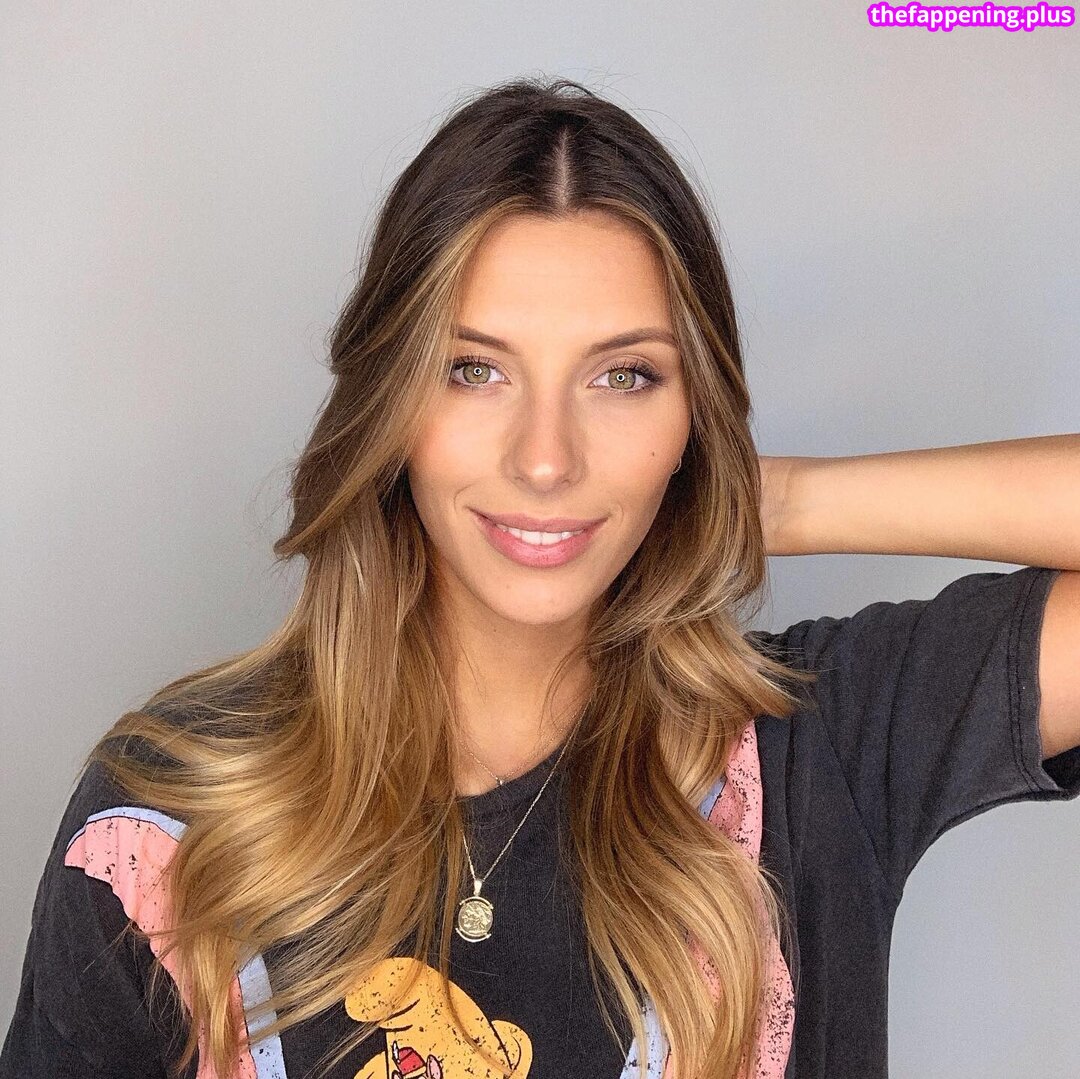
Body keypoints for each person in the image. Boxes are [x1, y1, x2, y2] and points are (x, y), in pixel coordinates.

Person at [3, 75, 1079, 1079]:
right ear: (389, 404)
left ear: (694, 412)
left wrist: (764, 498)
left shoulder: (824, 744)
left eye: (625, 376)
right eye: (474, 369)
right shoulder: (169, 817)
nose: (547, 459)